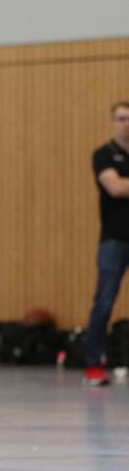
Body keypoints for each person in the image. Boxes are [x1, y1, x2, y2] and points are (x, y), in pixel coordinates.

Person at [85, 101, 129, 387]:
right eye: (121, 118)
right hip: (115, 239)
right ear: (112, 122)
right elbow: (115, 187)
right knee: (103, 302)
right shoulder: (104, 154)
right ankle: (93, 365)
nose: (126, 123)